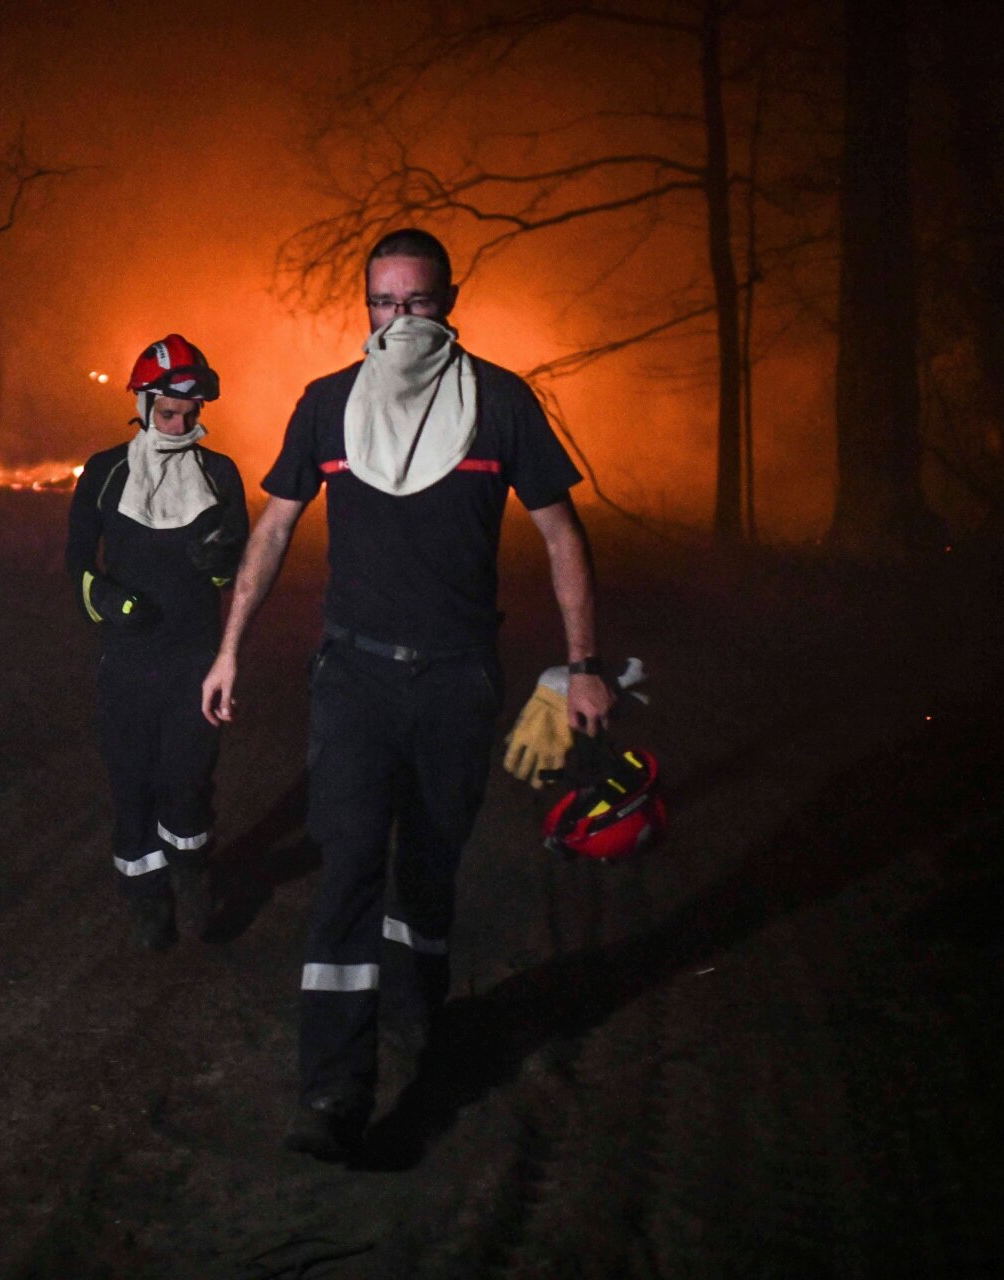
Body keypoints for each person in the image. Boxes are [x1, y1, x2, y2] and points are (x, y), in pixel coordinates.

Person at [199, 229, 615, 1159]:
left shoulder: (501, 404)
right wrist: (230, 648)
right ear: (364, 308)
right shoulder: (326, 407)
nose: (399, 322)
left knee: (426, 868)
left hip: (457, 679)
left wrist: (585, 663)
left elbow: (561, 537)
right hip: (353, 676)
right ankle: (335, 1094)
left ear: (449, 301)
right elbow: (270, 534)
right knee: (348, 862)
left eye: (417, 303)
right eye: (382, 304)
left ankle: (419, 1029)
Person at [67, 334, 247, 951]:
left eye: (190, 413)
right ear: (142, 404)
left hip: (195, 661)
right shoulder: (104, 472)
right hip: (126, 663)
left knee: (186, 781)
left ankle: (194, 876)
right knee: (131, 784)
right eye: (167, 411)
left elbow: (235, 574)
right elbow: (74, 564)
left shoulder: (220, 474)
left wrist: (221, 558)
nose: (179, 422)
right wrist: (107, 600)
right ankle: (145, 899)